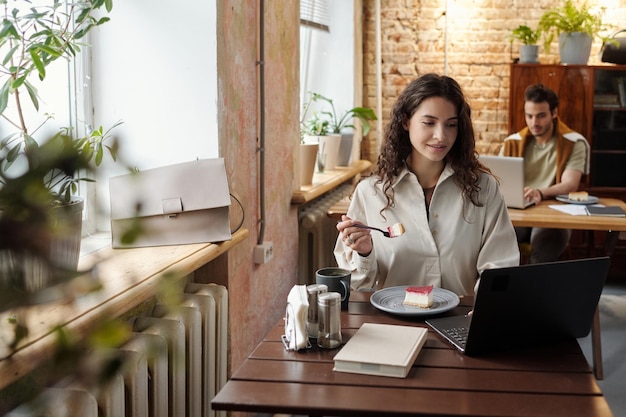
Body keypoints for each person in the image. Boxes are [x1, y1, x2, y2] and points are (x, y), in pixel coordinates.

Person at [334, 73, 519, 295]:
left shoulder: (483, 189)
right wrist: (364, 254)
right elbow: (356, 286)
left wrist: (485, 307)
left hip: (461, 320)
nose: (441, 136)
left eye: (451, 125)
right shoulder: (370, 193)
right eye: (429, 123)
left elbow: (500, 265)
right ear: (405, 121)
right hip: (394, 324)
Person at [500, 84, 589, 264]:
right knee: (498, 242)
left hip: (554, 213)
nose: (534, 123)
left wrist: (539, 193)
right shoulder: (512, 143)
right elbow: (498, 181)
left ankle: (535, 291)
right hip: (519, 212)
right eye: (529, 116)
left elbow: (570, 184)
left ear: (554, 113)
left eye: (541, 116)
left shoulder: (574, 142)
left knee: (545, 244)